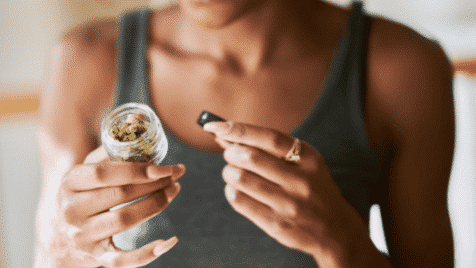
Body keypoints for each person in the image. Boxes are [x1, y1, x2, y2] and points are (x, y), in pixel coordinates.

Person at [34, 0, 455, 267]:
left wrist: (345, 245)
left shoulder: (400, 68)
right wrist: (64, 252)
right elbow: (51, 257)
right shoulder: (84, 61)